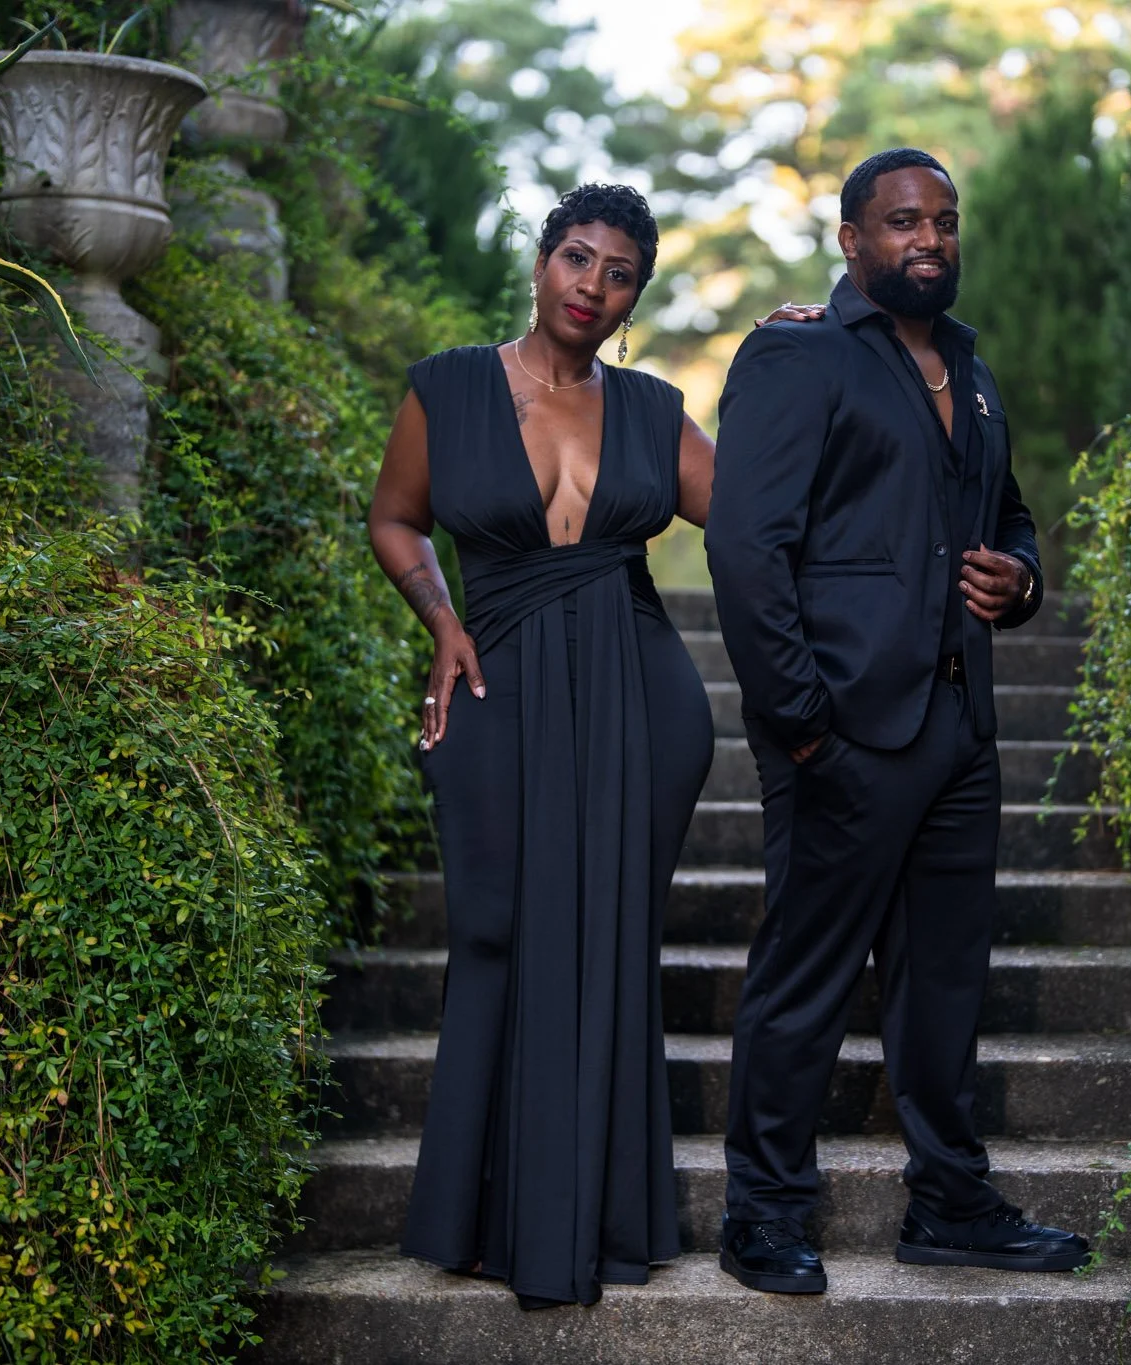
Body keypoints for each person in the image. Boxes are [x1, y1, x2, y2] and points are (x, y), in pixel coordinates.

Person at [366, 183, 822, 1309]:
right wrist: (441, 619)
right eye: (577, 257)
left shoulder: (656, 411)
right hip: (495, 677)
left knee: (609, 943)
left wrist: (784, 364)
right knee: (493, 929)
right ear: (541, 262)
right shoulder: (448, 387)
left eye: (619, 274)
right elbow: (394, 517)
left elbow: (761, 512)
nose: (592, 285)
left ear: (634, 298)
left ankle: (601, 1220)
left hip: (639, 698)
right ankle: (490, 1211)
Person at [704, 147, 1087, 1295]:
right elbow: (745, 549)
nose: (928, 238)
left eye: (944, 220)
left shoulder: (969, 366)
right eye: (902, 221)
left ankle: (950, 1205)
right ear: (850, 240)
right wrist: (801, 722)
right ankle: (762, 1213)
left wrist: (1021, 578)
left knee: (945, 981)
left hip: (960, 728)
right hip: (843, 726)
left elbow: (1007, 515)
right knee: (805, 977)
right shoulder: (794, 354)